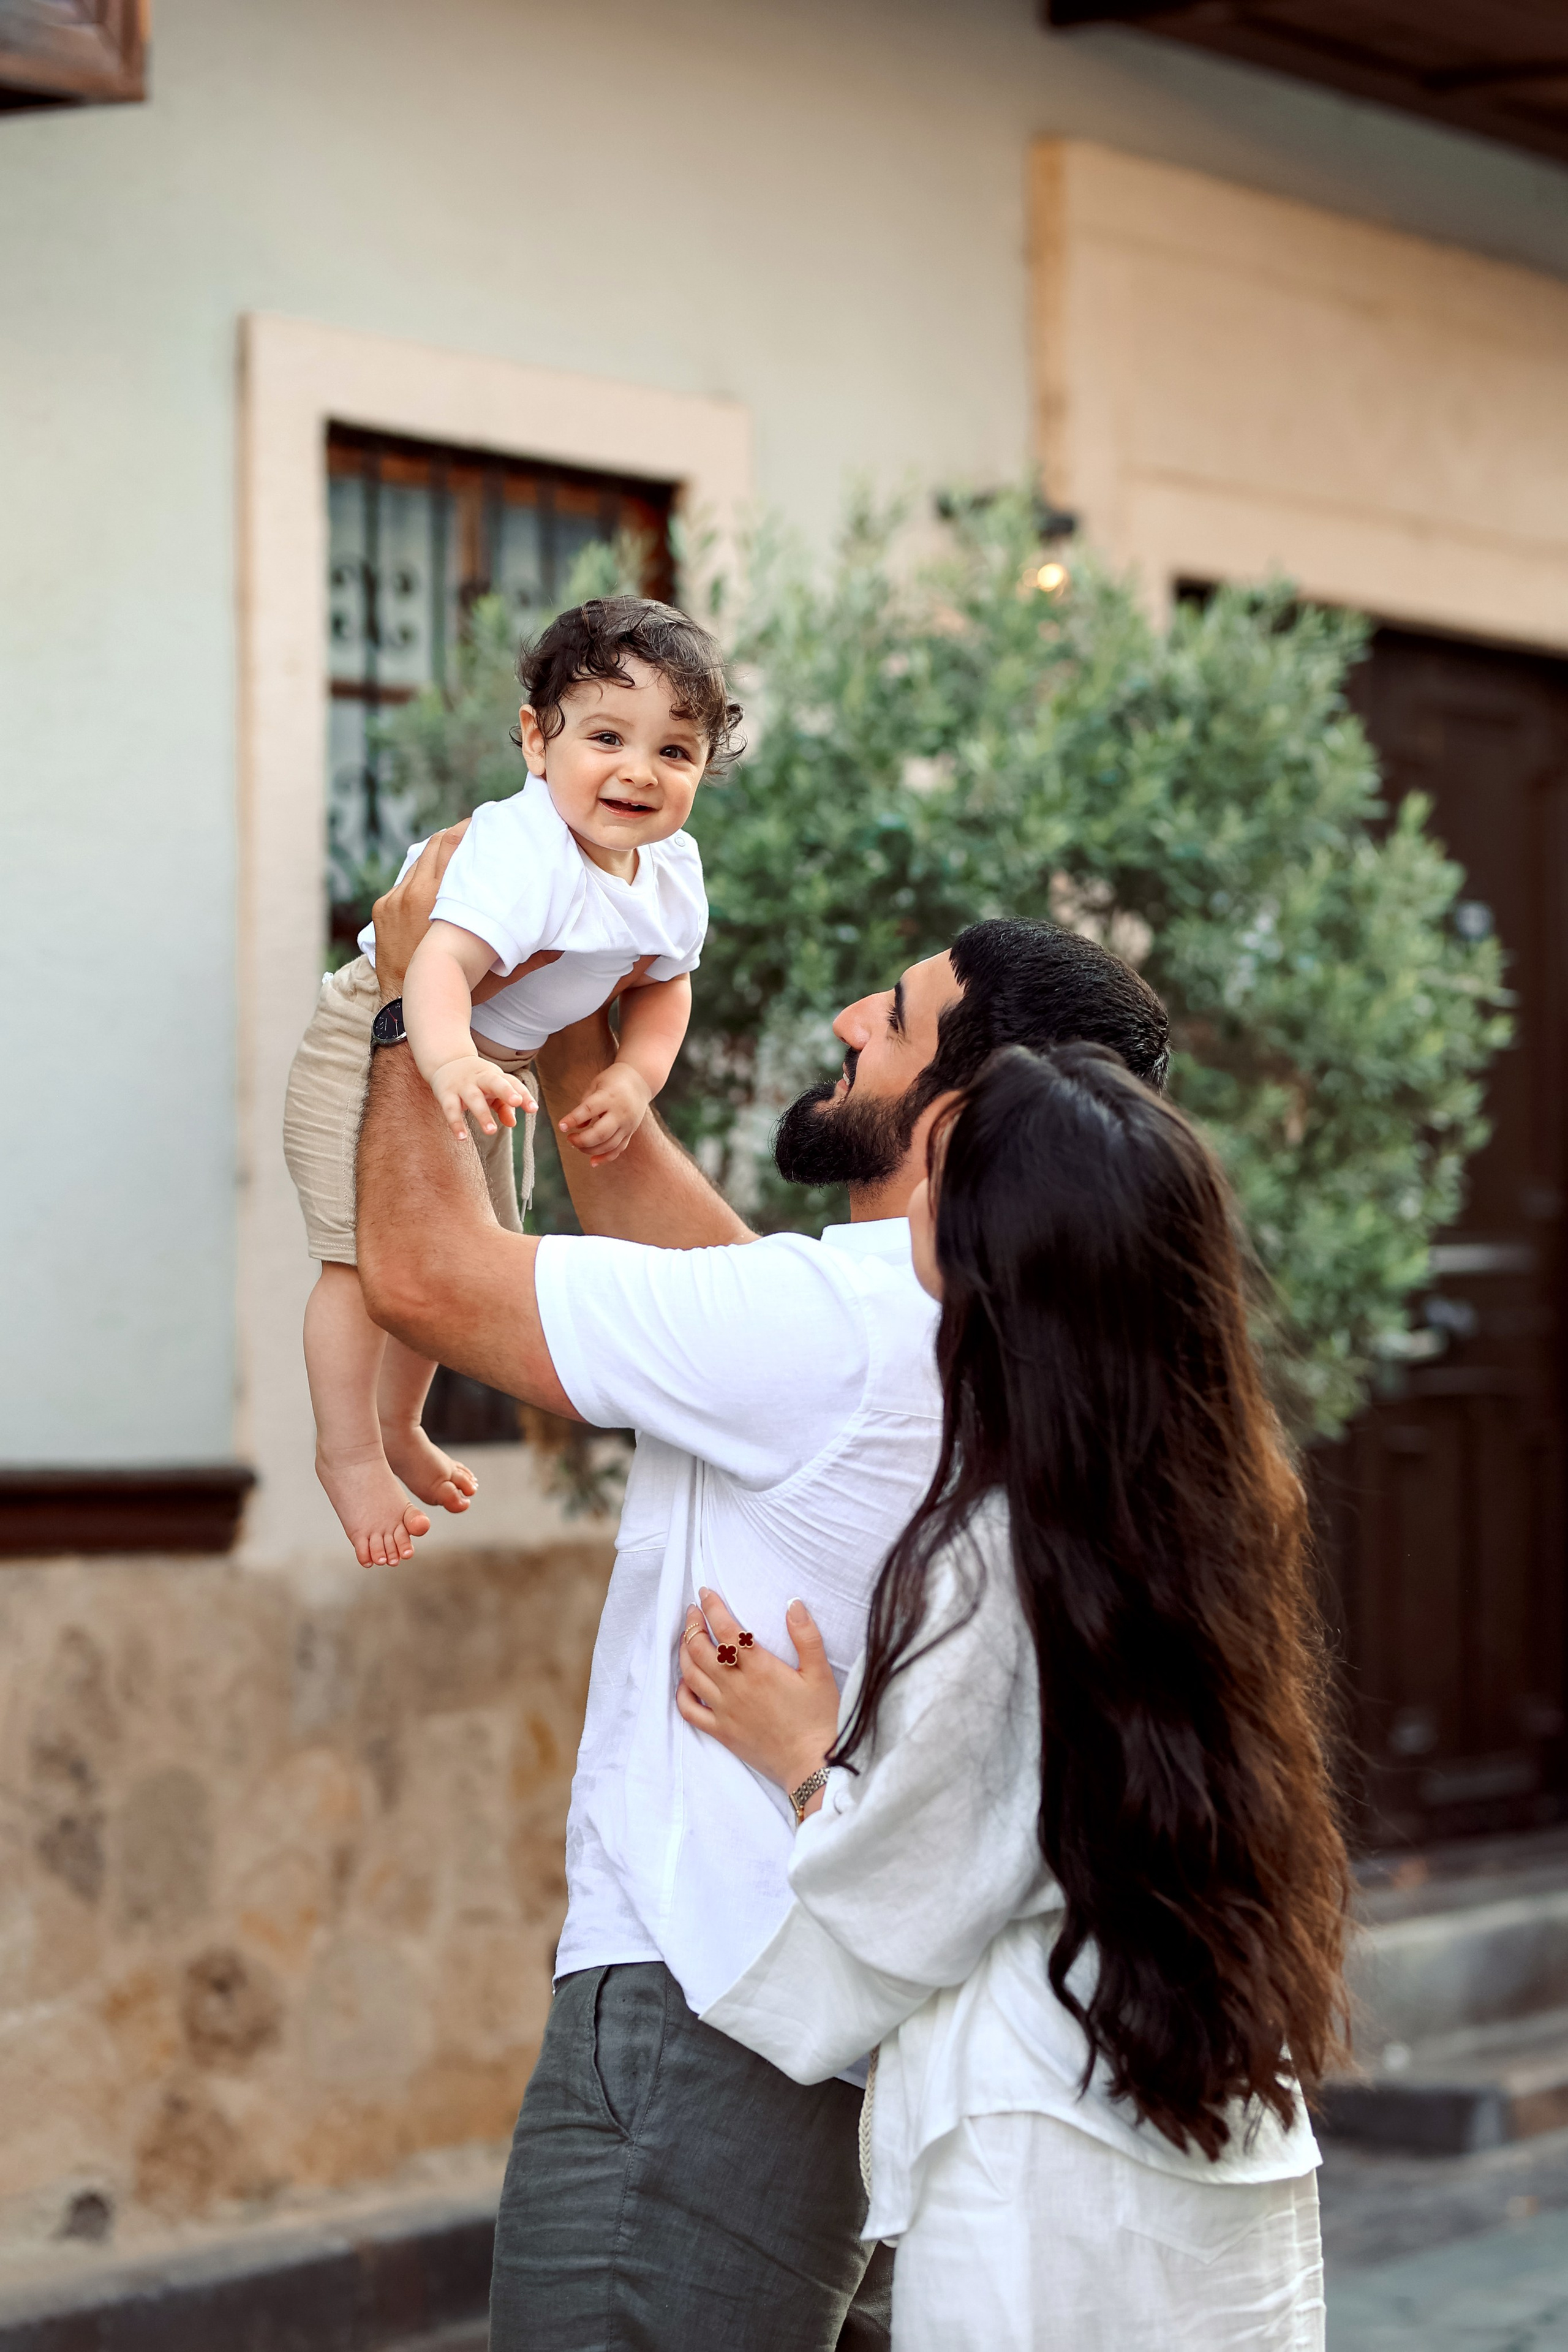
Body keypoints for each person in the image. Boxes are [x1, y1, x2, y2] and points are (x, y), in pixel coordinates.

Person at [355, 840, 1171, 2352]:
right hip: (849, 2030)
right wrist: (581, 965)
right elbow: (720, 1301)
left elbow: (420, 1274)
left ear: (961, 1111)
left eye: (904, 1017)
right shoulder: (974, 1329)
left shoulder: (843, 1328)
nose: (857, 1014)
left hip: (702, 2012)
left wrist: (422, 1002)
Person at [678, 1044, 1350, 2351]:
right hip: (1223, 2116)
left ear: (998, 1264)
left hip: (1045, 2144)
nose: (907, 1203)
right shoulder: (1227, 1508)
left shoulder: (1000, 1551)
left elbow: (911, 1894)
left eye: (935, 1180)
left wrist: (807, 1761)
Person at [282, 596, 737, 1568]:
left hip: (492, 1068)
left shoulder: (672, 871)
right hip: (378, 1030)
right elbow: (435, 964)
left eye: (675, 751)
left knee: (462, 1258)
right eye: (607, 735)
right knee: (360, 1258)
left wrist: (635, 1074)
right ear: (536, 740)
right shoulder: (520, 848)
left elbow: (666, 985)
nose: (638, 771)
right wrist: (443, 1060)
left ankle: (402, 1424)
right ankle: (349, 1451)